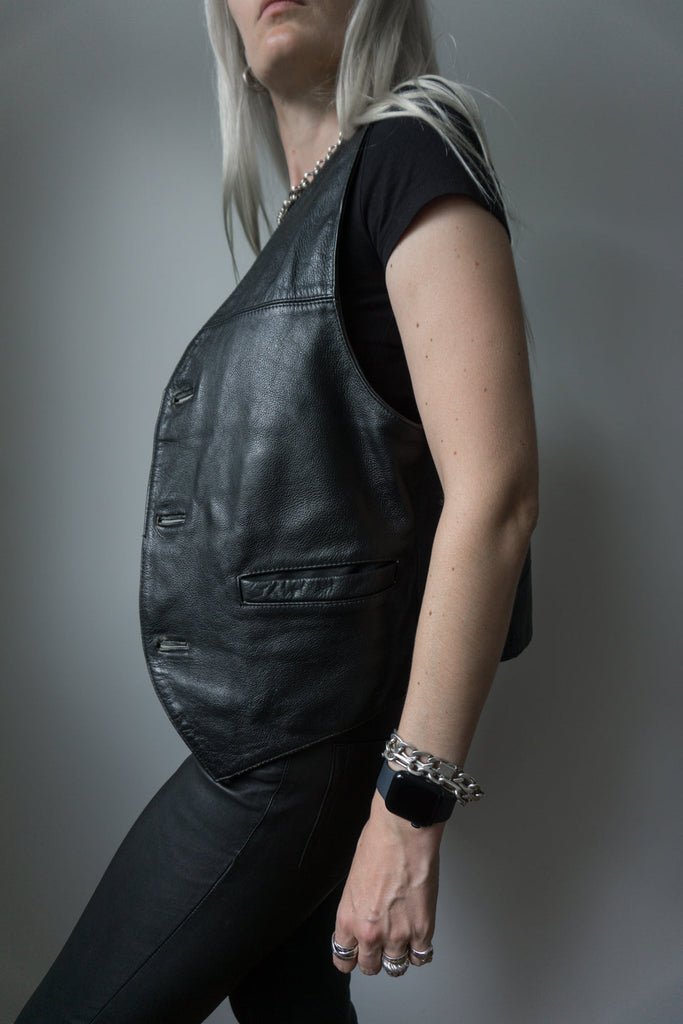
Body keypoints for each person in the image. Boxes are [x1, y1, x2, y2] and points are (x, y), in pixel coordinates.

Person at [14, 0, 538, 1021]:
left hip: (290, 763)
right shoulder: (317, 204)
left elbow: (496, 495)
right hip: (278, 747)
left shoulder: (407, 154)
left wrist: (409, 808)